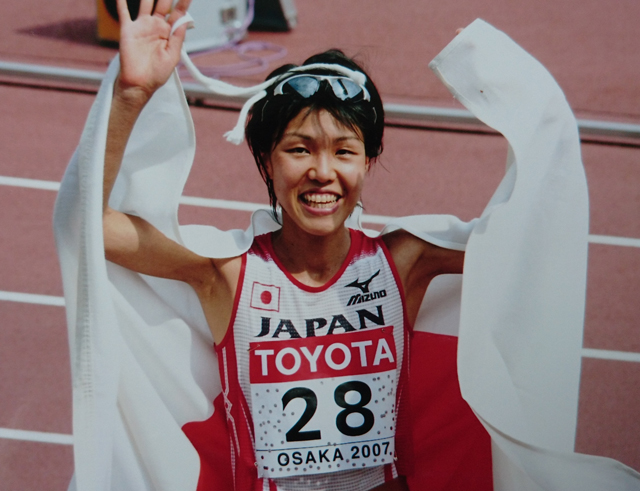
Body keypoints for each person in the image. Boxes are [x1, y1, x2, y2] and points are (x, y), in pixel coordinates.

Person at [103, 0, 465, 489]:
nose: (322, 172)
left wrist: (515, 99)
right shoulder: (228, 274)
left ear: (367, 162)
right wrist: (130, 95)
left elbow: (532, 244)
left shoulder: (404, 262)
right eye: (299, 149)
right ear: (266, 160)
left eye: (344, 151)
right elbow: (91, 228)